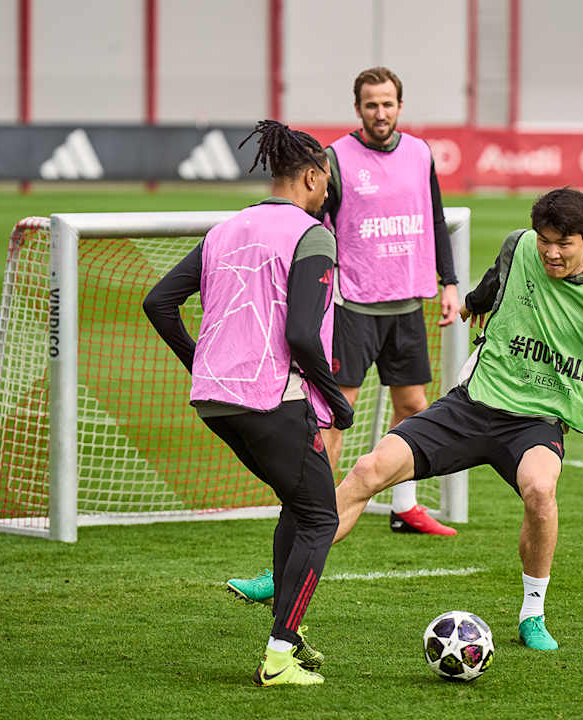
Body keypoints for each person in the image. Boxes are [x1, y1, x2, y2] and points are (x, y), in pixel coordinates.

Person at [330, 188, 583, 651]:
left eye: (563, 244)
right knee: (368, 469)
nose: (551, 253)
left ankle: (532, 614)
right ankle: (288, 571)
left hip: (535, 423)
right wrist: (472, 302)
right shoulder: (520, 246)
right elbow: (496, 280)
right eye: (545, 240)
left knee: (541, 490)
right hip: (470, 406)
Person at [223, 66, 460, 608]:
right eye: (371, 104)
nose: (381, 112)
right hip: (354, 306)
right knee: (333, 419)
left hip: (408, 305)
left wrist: (449, 282)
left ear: (400, 106)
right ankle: (308, 517)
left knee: (414, 407)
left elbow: (436, 219)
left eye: (388, 103)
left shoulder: (420, 154)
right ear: (358, 109)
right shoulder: (336, 159)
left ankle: (404, 506)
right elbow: (307, 220)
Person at [143, 120, 353, 687]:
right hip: (270, 397)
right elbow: (303, 335)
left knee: (298, 502)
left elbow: (159, 302)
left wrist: (201, 363)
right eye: (327, 179)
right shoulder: (312, 234)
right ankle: (280, 655)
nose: (328, 190)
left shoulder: (225, 229)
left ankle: (290, 632)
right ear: (311, 176)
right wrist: (337, 400)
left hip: (216, 400)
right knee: (321, 516)